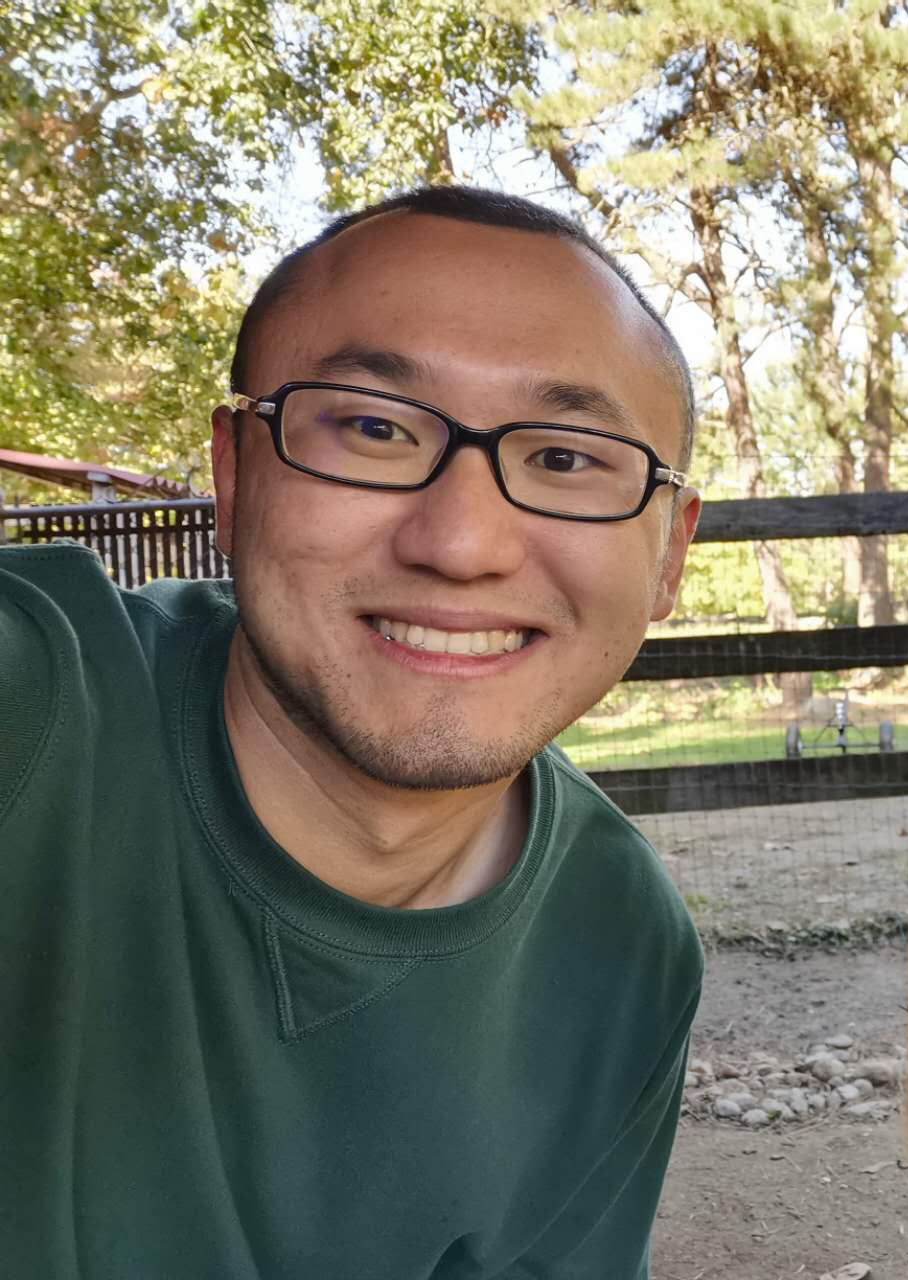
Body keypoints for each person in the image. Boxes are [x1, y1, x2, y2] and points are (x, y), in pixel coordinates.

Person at [0, 186, 703, 1278]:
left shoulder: (620, 945)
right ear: (234, 477)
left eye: (566, 458)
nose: (462, 544)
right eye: (374, 428)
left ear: (669, 556)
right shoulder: (35, 706)